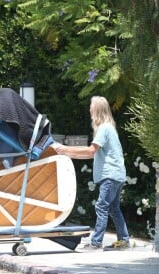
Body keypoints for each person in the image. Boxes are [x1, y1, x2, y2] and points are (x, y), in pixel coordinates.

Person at [51, 96, 130, 251]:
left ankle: (96, 242)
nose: (89, 109)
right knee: (113, 208)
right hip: (117, 174)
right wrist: (68, 154)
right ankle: (124, 241)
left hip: (110, 175)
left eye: (91, 107)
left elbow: (91, 150)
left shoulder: (104, 128)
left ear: (97, 110)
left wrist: (65, 149)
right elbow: (92, 154)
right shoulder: (109, 128)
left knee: (101, 206)